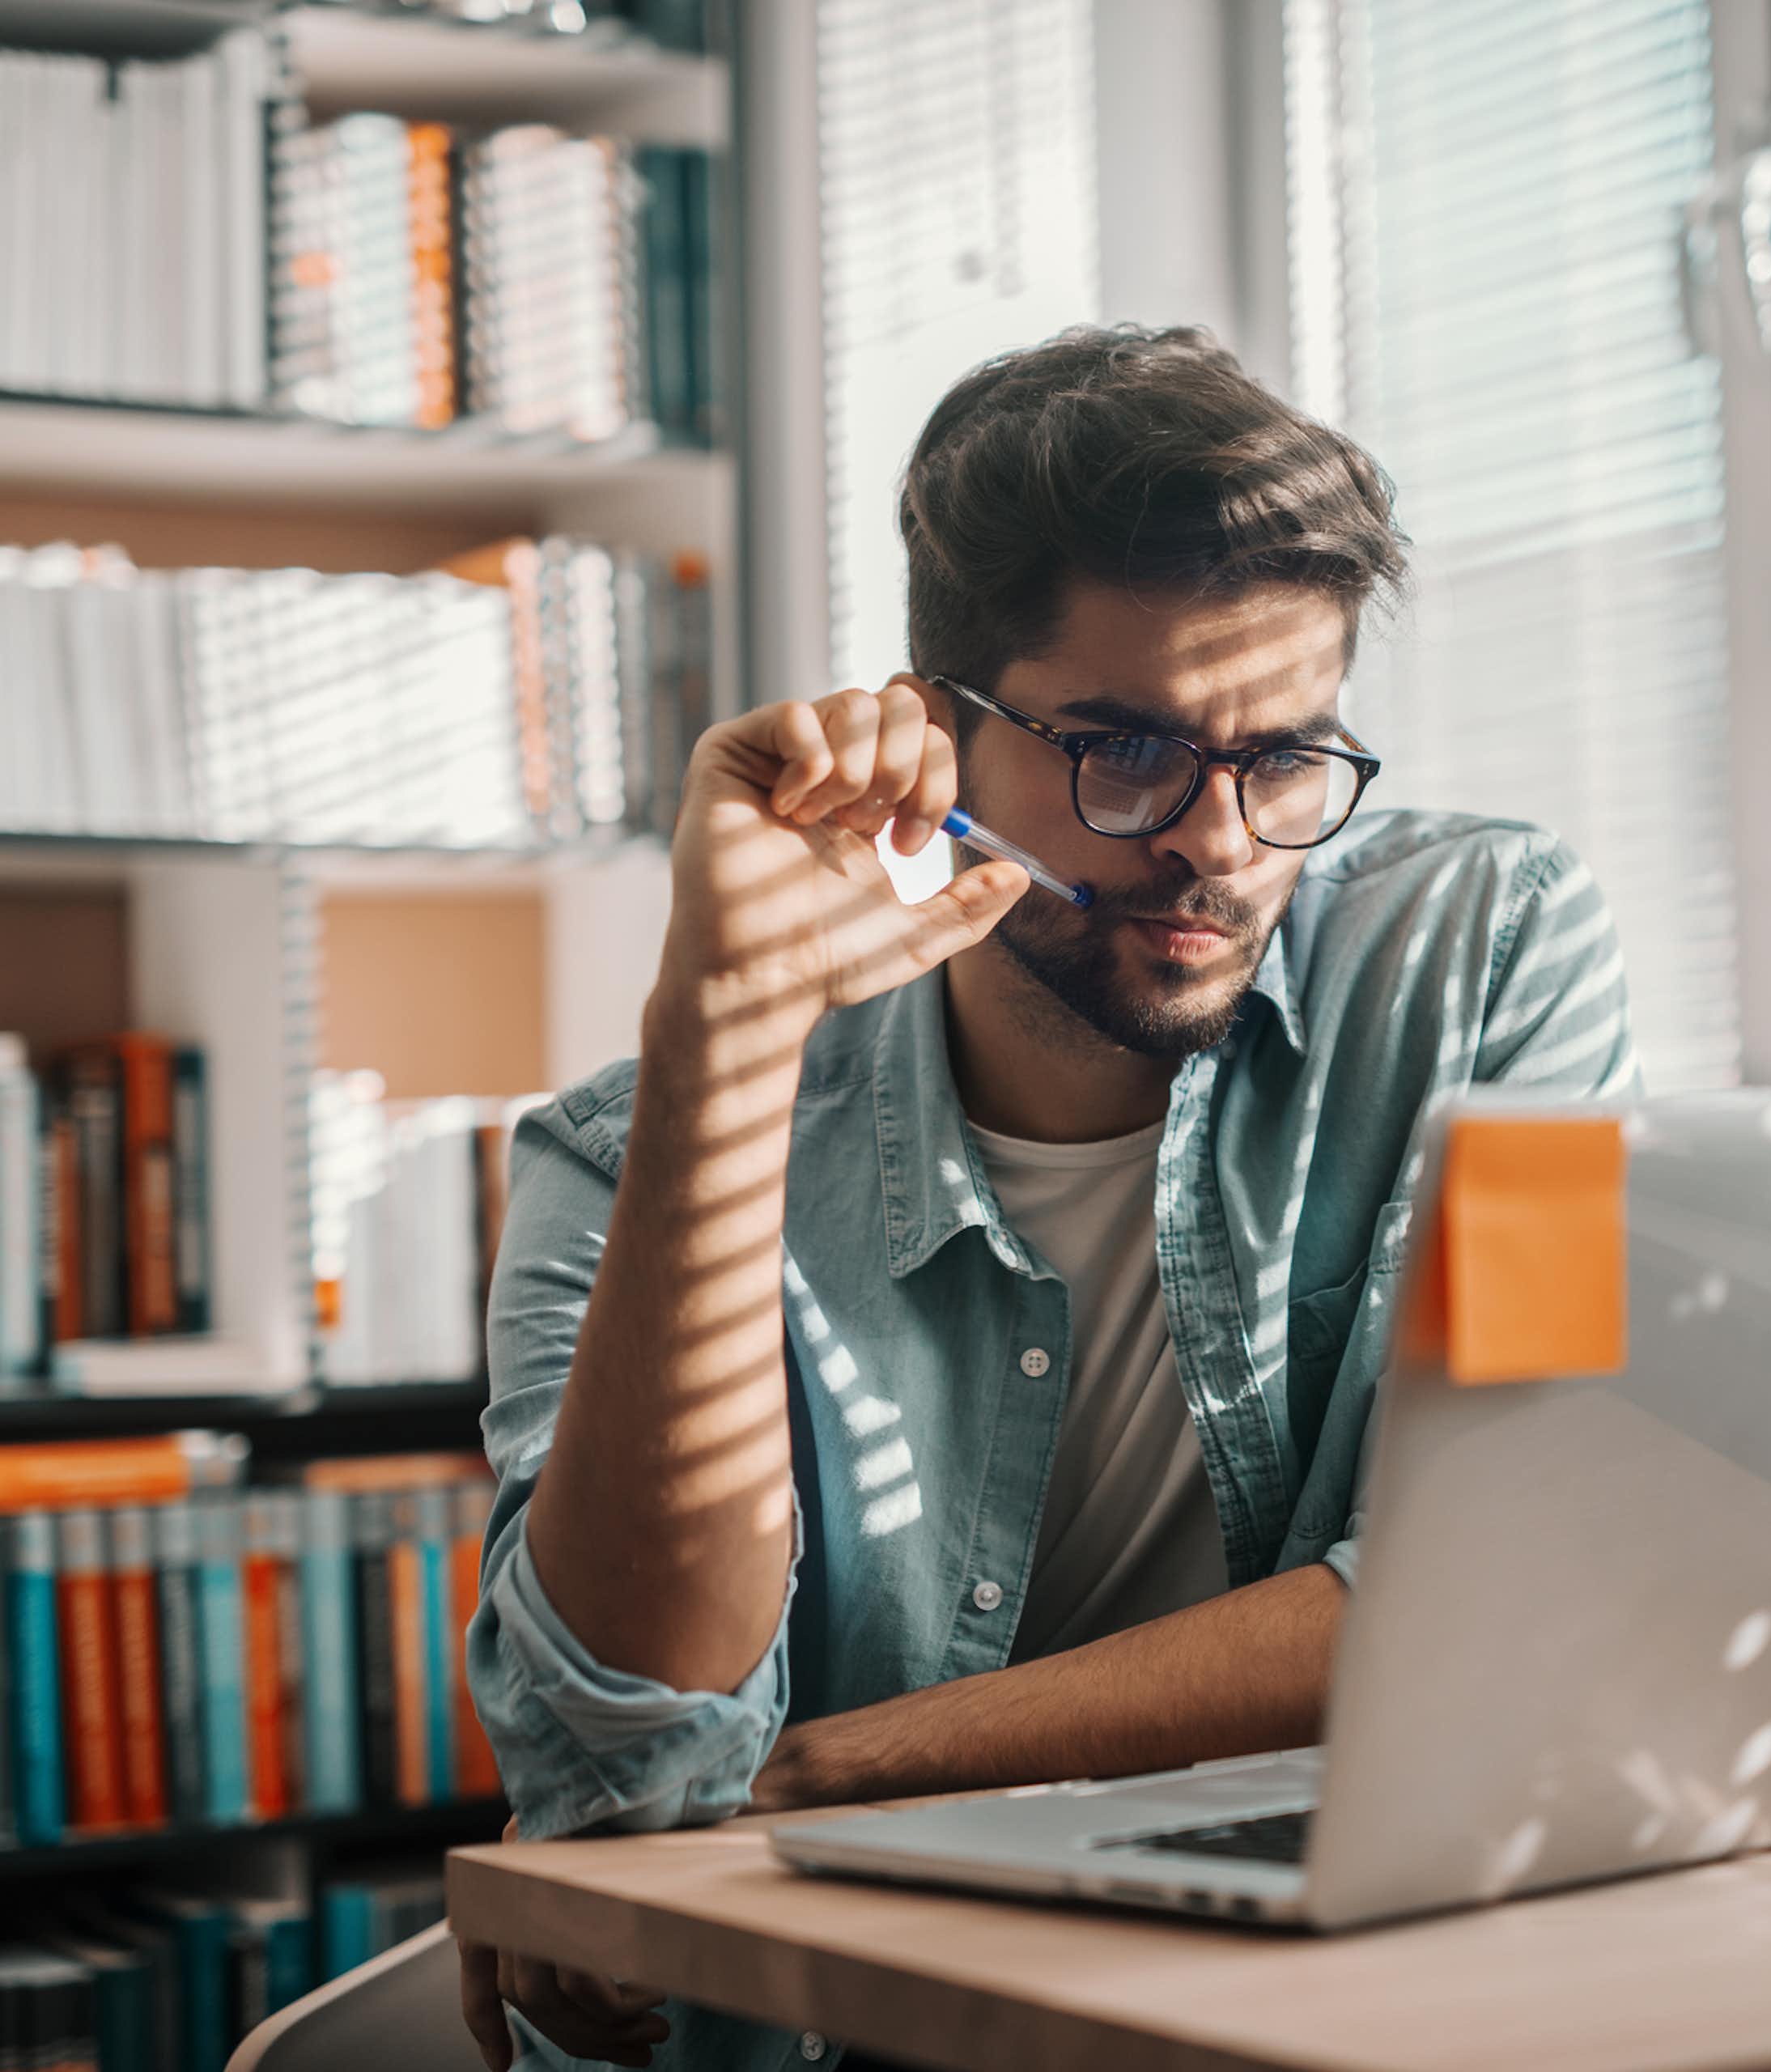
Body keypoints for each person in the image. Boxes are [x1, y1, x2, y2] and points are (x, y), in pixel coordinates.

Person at [457, 325, 1636, 2072]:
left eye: (1284, 754)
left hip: (1296, 2003)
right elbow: (625, 1757)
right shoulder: (619, 1149)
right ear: (935, 741)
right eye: (1123, 751)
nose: (1219, 843)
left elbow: (1482, 1586)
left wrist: (825, 1769)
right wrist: (725, 1031)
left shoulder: (1482, 952)